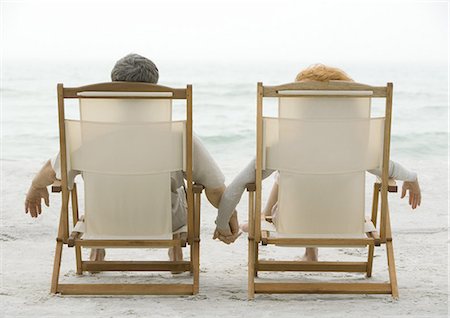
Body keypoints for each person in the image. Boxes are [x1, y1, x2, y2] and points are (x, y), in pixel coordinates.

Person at [24, 54, 241, 266]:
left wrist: (35, 187)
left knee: (102, 192)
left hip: (104, 221)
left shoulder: (88, 136)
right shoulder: (179, 135)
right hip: (164, 222)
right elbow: (214, 188)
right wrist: (227, 215)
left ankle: (97, 247)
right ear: (154, 90)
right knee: (181, 189)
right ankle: (175, 250)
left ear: (113, 90)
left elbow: (51, 171)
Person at [217, 64, 422, 261]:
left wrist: (223, 224)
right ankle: (310, 254)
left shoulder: (283, 147)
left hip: (294, 224)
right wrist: (411, 178)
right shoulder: (356, 148)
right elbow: (391, 168)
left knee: (292, 170)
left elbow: (238, 185)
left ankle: (274, 229)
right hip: (346, 223)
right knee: (312, 171)